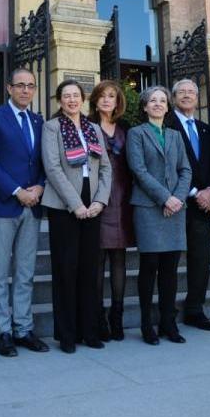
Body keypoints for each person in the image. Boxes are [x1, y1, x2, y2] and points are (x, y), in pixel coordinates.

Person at [0, 68, 50, 357]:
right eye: (19, 85)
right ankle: (2, 330)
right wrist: (17, 191)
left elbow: (47, 162)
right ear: (8, 88)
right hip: (4, 205)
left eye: (30, 86)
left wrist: (40, 188)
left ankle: (23, 328)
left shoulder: (38, 121)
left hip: (32, 206)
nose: (25, 90)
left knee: (25, 272)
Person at [41, 79, 112, 353]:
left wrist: (100, 201)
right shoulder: (52, 127)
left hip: (92, 204)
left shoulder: (93, 127)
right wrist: (75, 204)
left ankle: (89, 331)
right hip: (64, 206)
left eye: (75, 95)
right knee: (65, 271)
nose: (71, 100)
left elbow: (105, 168)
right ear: (59, 101)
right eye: (66, 96)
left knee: (89, 270)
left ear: (82, 99)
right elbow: (53, 168)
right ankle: (68, 335)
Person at [126, 85, 193, 345]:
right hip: (149, 208)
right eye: (152, 100)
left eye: (162, 100)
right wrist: (165, 197)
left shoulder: (175, 135)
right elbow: (139, 170)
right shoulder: (136, 134)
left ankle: (169, 322)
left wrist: (176, 198)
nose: (157, 104)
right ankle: (146, 324)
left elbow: (186, 169)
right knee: (150, 266)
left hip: (175, 209)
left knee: (170, 269)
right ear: (144, 106)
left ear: (168, 106)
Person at [162, 78, 210, 331]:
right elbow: (166, 166)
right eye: (181, 92)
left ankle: (195, 309)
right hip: (174, 203)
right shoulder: (165, 124)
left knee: (201, 260)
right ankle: (167, 314)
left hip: (203, 206)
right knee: (170, 261)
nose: (186, 95)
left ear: (197, 98)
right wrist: (195, 192)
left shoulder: (205, 129)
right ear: (173, 98)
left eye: (191, 92)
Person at [88, 79, 135, 341]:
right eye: (102, 96)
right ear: (95, 100)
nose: (107, 100)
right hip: (97, 197)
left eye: (112, 96)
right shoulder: (86, 126)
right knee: (97, 260)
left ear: (118, 102)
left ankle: (117, 317)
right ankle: (98, 317)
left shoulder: (127, 128)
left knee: (119, 259)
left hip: (123, 197)